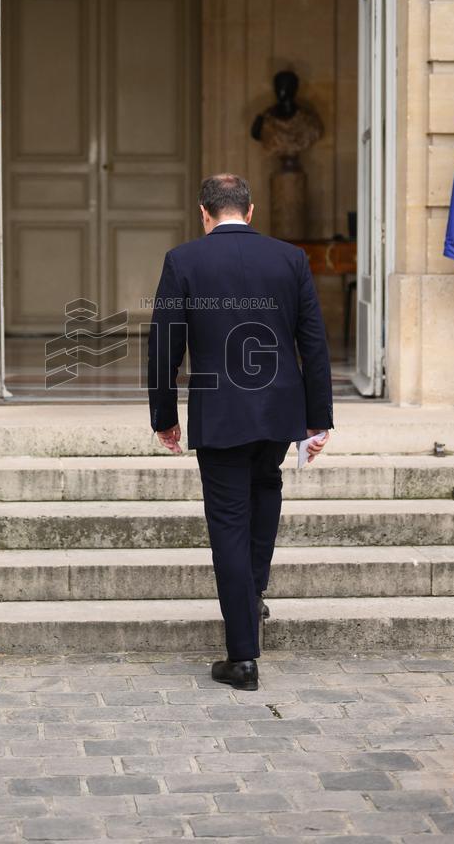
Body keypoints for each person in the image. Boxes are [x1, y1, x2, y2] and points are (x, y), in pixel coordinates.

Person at [148, 173, 333, 691]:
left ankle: (243, 656)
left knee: (229, 521)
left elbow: (164, 346)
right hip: (279, 412)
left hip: (220, 413)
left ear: (204, 214)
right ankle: (250, 599)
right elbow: (313, 343)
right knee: (265, 494)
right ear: (250, 211)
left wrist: (164, 417)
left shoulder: (183, 260)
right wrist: (318, 417)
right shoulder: (290, 258)